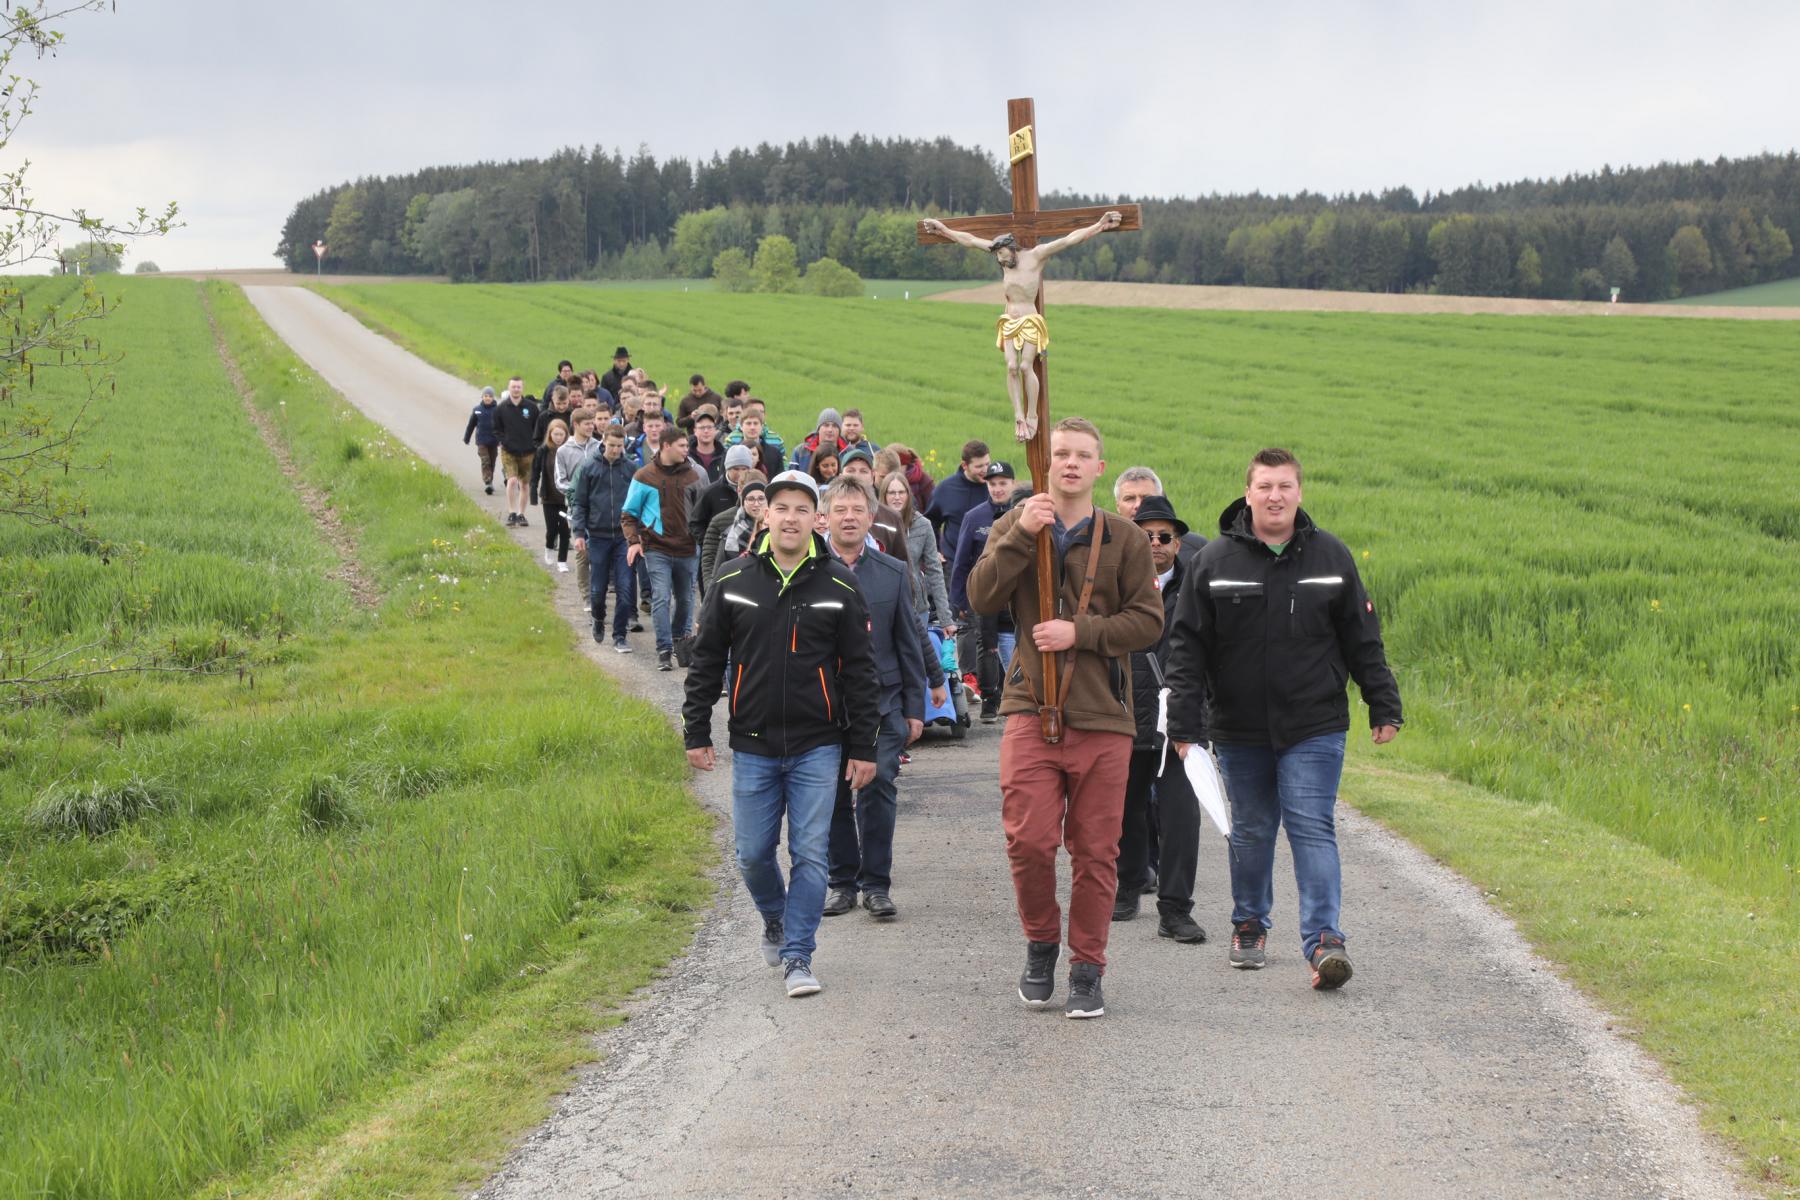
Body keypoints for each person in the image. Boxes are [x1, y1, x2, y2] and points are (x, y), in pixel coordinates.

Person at [1164, 447, 1403, 991]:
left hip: (1314, 723)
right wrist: (1184, 724)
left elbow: (1363, 639)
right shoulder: (1215, 562)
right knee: (1250, 831)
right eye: (1265, 486)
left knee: (1312, 827)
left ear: (1299, 493)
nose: (1275, 496)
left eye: (1285, 487)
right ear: (1247, 493)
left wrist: (1382, 703)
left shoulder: (1331, 557)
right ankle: (1249, 922)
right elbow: (1187, 648)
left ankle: (1324, 942)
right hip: (1240, 726)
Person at [966, 418, 1162, 1019]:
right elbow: (979, 597)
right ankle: (1041, 943)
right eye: (1060, 454)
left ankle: (1087, 967)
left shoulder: (1125, 538)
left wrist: (1082, 632)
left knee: (1097, 852)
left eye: (1082, 455)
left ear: (1100, 468)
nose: (1071, 463)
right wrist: (1022, 534)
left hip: (1103, 716)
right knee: (1028, 841)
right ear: (1042, 463)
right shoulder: (1015, 524)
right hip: (1032, 708)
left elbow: (1148, 621)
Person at [683, 470, 879, 999]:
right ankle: (774, 918)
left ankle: (798, 955)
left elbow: (861, 672)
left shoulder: (839, 583)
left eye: (800, 508)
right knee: (751, 853)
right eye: (780, 508)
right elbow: (706, 661)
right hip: (752, 742)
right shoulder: (731, 579)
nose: (790, 517)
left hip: (819, 745)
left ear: (817, 518)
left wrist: (864, 746)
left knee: (811, 853)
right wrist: (695, 728)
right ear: (763, 515)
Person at [818, 477, 930, 922]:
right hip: (823, 702)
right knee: (831, 791)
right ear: (824, 516)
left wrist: (914, 709)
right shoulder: (807, 569)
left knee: (879, 781)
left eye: (857, 509)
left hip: (882, 702)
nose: (849, 517)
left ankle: (876, 884)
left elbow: (909, 642)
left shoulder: (892, 572)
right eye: (840, 509)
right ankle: (842, 881)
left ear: (870, 517)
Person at [922, 210, 1123, 442]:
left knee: (1027, 367)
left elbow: (1069, 239)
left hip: (1029, 319)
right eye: (997, 255)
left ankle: (1031, 415)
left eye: (1003, 254)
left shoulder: (1036, 256)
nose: (1000, 260)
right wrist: (942, 229)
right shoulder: (1001, 255)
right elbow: (969, 239)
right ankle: (1018, 415)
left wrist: (1098, 224)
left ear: (1013, 248)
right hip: (1009, 320)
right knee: (1011, 367)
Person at [1112, 495, 1207, 942]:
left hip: (1180, 721)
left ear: (1178, 542)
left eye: (1164, 536)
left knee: (1181, 816)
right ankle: (1129, 885)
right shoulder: (1115, 587)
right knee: (1123, 811)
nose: (1154, 543)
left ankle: (1175, 909)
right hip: (1123, 715)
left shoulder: (1198, 585)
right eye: (1145, 535)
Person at [621, 425, 701, 672]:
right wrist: (634, 542)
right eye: (682, 446)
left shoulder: (695, 476)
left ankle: (680, 641)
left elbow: (703, 513)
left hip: (688, 549)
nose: (687, 451)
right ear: (666, 446)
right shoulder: (644, 476)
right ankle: (664, 649)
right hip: (657, 548)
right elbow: (628, 514)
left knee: (687, 600)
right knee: (661, 597)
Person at [950, 460, 1021, 723]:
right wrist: (958, 600)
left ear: (1012, 484)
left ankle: (1019, 694)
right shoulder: (975, 517)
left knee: (1020, 644)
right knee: (987, 645)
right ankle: (990, 700)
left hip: (1017, 593)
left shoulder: (1024, 513)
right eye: (993, 484)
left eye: (1003, 484)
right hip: (987, 592)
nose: (998, 489)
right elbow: (961, 562)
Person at [568, 425, 638, 652]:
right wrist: (579, 533)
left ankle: (620, 635)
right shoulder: (589, 467)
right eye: (612, 445)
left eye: (620, 446)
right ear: (604, 441)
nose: (616, 450)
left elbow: (638, 502)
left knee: (626, 589)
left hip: (623, 538)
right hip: (597, 536)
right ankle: (598, 619)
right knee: (597, 591)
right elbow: (579, 503)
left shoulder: (630, 469)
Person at [883, 470, 954, 636]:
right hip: (884, 604)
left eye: (901, 492)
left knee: (915, 657)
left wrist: (945, 618)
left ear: (908, 495)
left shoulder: (923, 525)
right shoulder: (874, 524)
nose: (897, 497)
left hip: (917, 606)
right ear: (883, 495)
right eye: (891, 493)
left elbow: (934, 571)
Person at [1114, 466, 1209, 561]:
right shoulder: (1104, 546)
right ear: (1118, 505)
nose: (1138, 505)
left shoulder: (1197, 548)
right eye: (1129, 498)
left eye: (1147, 498)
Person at [557, 406, 601, 602]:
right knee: (582, 553)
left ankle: (599, 590)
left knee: (599, 552)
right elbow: (560, 481)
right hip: (575, 508)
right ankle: (586, 596)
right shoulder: (563, 451)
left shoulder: (599, 446)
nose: (591, 427)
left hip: (599, 508)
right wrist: (578, 492)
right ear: (576, 425)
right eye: (587, 424)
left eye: (593, 423)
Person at [837, 447, 908, 564]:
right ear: (840, 477)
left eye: (863, 471)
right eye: (851, 470)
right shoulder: (828, 515)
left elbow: (903, 568)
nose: (857, 476)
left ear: (872, 476)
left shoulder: (891, 518)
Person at [925, 439, 992, 558]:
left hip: (987, 563)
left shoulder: (995, 488)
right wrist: (935, 551)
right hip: (953, 563)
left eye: (987, 464)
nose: (985, 470)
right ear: (965, 465)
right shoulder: (946, 489)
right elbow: (929, 522)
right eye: (979, 466)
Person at [702, 473, 766, 587]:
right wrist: (710, 588)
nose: (756, 504)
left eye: (761, 498)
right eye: (751, 498)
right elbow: (710, 558)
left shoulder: (775, 526)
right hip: (733, 587)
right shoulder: (724, 523)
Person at [491, 376, 538, 527]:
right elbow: (496, 429)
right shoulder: (501, 408)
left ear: (522, 388)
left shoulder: (531, 408)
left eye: (519, 387)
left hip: (528, 451)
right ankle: (512, 512)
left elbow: (537, 428)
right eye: (513, 387)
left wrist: (534, 444)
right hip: (508, 451)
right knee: (512, 481)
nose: (516, 389)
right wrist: (504, 441)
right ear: (509, 388)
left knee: (524, 484)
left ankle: (521, 514)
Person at [530, 419, 572, 572]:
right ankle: (549, 548)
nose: (558, 437)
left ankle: (562, 561)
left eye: (561, 434)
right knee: (552, 529)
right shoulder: (543, 450)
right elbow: (535, 473)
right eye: (555, 434)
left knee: (565, 531)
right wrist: (533, 493)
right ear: (550, 434)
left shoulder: (569, 450)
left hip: (566, 497)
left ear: (566, 435)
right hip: (549, 497)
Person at [727, 405, 784, 478]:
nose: (752, 427)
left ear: (762, 427)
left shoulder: (774, 453)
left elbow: (779, 480)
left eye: (756, 423)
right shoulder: (731, 453)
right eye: (748, 423)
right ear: (741, 426)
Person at [462, 386, 500, 495]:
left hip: (494, 441)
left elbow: (503, 426)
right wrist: (467, 438)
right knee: (485, 461)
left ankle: (490, 482)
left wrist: (503, 439)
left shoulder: (497, 410)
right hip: (481, 441)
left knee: (492, 462)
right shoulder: (477, 410)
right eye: (485, 396)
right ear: (482, 397)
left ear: (493, 398)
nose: (488, 398)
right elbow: (471, 425)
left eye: (490, 396)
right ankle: (487, 480)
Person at [791, 407, 846, 474]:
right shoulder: (800, 451)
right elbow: (792, 479)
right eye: (826, 425)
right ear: (818, 429)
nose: (830, 430)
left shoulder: (848, 452)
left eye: (834, 426)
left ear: (840, 431)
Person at [686, 405, 726, 481]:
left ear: (715, 429)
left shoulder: (725, 455)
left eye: (709, 427)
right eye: (702, 428)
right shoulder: (687, 457)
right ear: (695, 430)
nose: (706, 431)